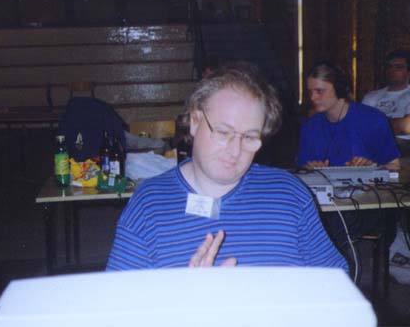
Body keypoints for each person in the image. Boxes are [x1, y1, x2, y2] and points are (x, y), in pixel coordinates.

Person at [106, 62, 348, 271]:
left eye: (250, 137)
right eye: (223, 132)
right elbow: (117, 304)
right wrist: (186, 299)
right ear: (195, 121)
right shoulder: (149, 205)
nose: (235, 151)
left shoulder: (290, 194)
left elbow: (335, 284)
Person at [297, 62, 400, 170]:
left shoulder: (374, 120)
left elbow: (394, 166)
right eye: (310, 92)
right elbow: (301, 169)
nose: (313, 97)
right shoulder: (309, 127)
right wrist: (310, 170)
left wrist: (372, 169)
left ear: (339, 89)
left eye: (319, 91)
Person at [362, 49, 410, 156]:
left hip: (403, 144)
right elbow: (360, 125)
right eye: (389, 67)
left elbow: (407, 127)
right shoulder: (371, 96)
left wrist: (373, 125)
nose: (392, 70)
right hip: (373, 142)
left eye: (398, 67)